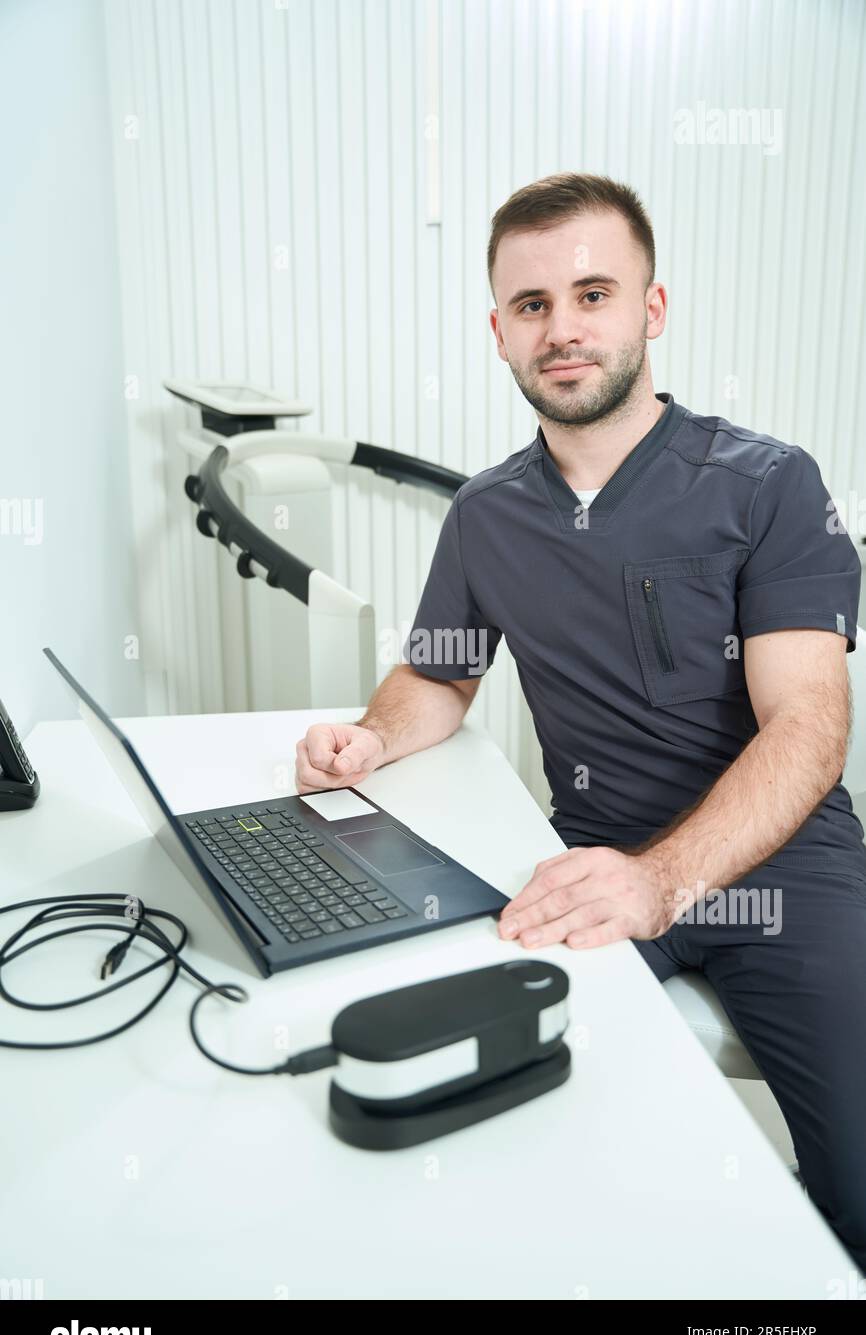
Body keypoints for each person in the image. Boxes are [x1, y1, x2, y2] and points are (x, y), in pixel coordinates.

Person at [295, 172, 866, 1278]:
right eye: (530, 305)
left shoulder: (766, 486)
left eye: (591, 293)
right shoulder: (486, 513)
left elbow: (806, 728)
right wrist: (367, 738)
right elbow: (441, 676)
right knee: (529, 1137)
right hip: (590, 860)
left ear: (650, 310)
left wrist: (666, 880)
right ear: (498, 333)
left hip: (782, 870)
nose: (561, 328)